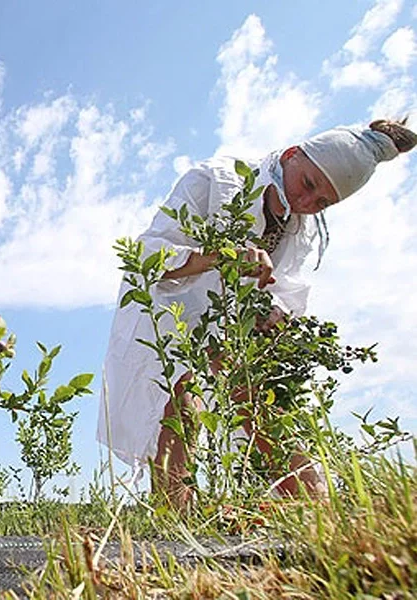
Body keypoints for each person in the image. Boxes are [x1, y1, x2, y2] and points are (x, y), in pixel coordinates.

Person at [98, 119, 416, 509]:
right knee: (181, 403)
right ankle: (174, 526)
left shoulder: (302, 229)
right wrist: (223, 256)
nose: (306, 203)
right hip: (170, 308)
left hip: (232, 321)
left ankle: (317, 512)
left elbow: (288, 290)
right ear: (290, 155)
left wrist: (275, 314)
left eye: (322, 203)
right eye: (309, 184)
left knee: (262, 402)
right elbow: (146, 257)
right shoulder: (214, 180)